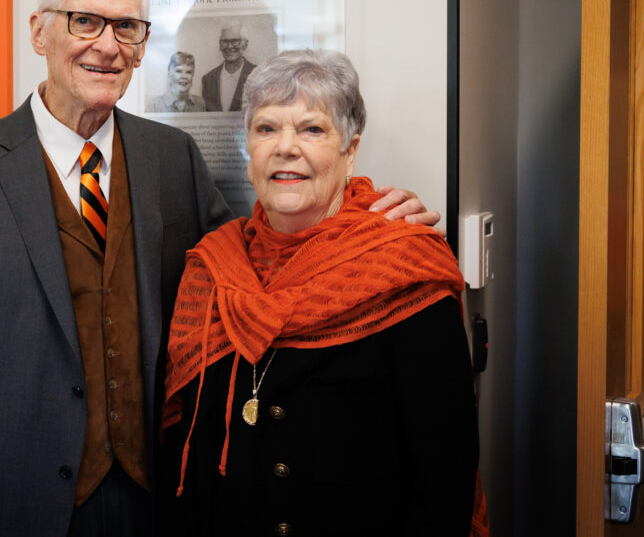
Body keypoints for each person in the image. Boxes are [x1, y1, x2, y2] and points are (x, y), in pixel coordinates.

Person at [0, 0, 438, 536]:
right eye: (85, 20)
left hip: (150, 502)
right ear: (39, 32)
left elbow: (257, 259)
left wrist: (367, 218)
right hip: (10, 500)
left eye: (127, 26)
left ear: (143, 45)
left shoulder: (172, 158)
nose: (108, 45)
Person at [160, 49, 482, 536]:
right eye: (267, 128)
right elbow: (185, 450)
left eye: (312, 129)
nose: (286, 147)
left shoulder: (404, 267)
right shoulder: (210, 269)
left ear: (350, 150)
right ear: (248, 148)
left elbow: (444, 477)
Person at [201, 20, 256, 112]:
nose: (229, 46)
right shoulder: (208, 79)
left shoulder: (258, 75)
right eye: (225, 41)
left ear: (245, 44)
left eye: (235, 41)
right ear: (220, 45)